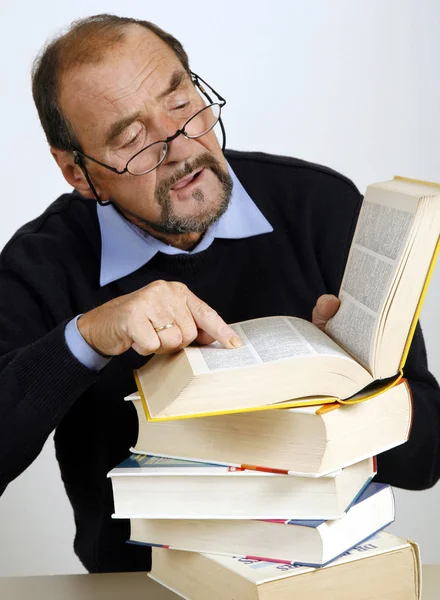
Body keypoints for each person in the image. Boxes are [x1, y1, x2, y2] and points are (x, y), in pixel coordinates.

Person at [0, 13, 439, 574]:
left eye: (182, 105)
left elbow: (428, 458)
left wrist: (355, 383)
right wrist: (86, 338)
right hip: (146, 588)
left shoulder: (321, 207)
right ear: (80, 174)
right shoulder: (43, 261)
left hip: (325, 581)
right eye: (133, 139)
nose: (180, 148)